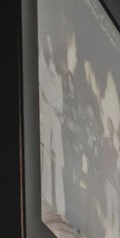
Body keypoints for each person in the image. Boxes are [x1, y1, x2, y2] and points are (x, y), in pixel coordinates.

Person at [38, 35, 66, 217]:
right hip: (46, 116)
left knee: (58, 161)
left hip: (55, 119)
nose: (48, 47)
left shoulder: (56, 74)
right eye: (46, 44)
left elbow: (60, 103)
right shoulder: (44, 69)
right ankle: (46, 197)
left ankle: (60, 206)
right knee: (46, 156)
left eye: (50, 43)